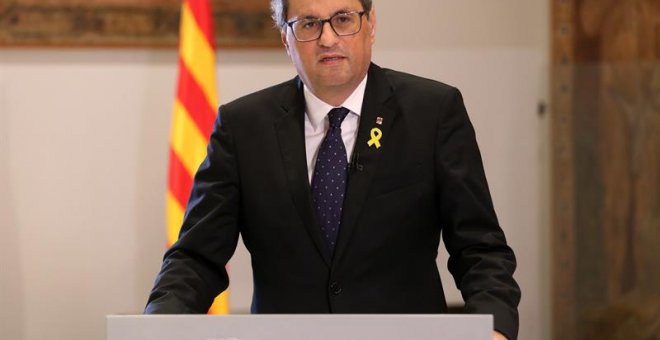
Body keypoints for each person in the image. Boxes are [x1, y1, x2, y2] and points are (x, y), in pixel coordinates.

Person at [145, 0, 521, 339]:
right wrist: (159, 326)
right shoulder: (243, 127)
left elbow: (480, 249)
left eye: (343, 19)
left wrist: (495, 327)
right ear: (285, 38)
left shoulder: (434, 112)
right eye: (308, 24)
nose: (327, 38)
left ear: (371, 24)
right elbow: (196, 258)